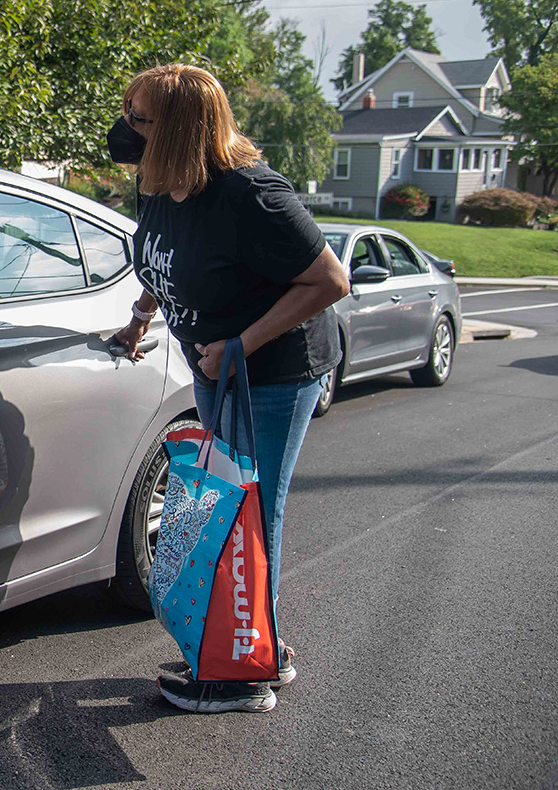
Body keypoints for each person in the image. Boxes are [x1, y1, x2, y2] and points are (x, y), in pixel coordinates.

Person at [109, 64, 349, 714]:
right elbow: (160, 258)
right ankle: (256, 647)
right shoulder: (158, 183)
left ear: (181, 129)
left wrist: (243, 343)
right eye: (127, 110)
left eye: (139, 118)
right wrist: (140, 318)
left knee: (249, 512)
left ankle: (245, 674)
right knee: (221, 506)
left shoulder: (252, 195)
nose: (124, 128)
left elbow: (330, 281)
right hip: (215, 365)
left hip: (272, 373)